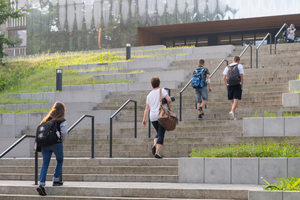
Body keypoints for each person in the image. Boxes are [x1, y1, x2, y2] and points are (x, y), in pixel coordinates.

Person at [36, 102, 68, 196]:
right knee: (60, 160)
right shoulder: (62, 120)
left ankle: (41, 185)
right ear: (62, 110)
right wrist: (61, 139)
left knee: (45, 163)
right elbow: (64, 133)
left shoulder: (46, 120)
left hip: (44, 144)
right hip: (56, 143)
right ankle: (56, 179)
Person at [142, 77, 172, 159]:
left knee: (158, 132)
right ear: (159, 83)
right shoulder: (162, 91)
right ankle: (157, 153)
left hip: (152, 116)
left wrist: (144, 119)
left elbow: (147, 108)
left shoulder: (149, 95)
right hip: (161, 114)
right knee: (161, 134)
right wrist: (168, 104)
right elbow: (169, 99)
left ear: (151, 85)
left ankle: (155, 145)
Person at [223, 56, 244, 120]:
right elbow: (241, 76)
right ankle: (232, 112)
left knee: (232, 101)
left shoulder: (227, 67)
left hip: (229, 85)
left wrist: (227, 85)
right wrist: (241, 85)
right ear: (238, 61)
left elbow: (224, 78)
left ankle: (233, 116)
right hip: (237, 84)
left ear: (233, 60)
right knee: (236, 100)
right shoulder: (239, 66)